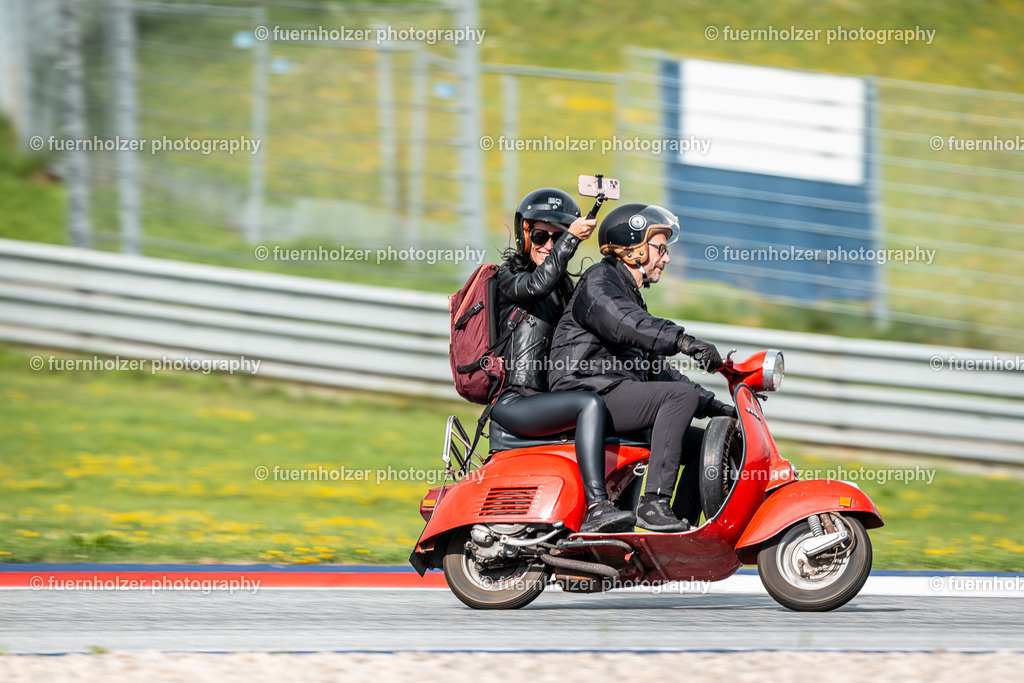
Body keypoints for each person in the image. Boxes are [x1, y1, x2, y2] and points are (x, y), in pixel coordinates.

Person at [548, 203, 737, 532]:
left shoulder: (629, 294)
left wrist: (714, 405)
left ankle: (681, 528)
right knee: (677, 397)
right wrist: (684, 341)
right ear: (633, 248)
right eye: (660, 248)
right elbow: (628, 323)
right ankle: (653, 504)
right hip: (586, 388)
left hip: (614, 391)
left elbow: (657, 370)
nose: (666, 258)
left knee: (706, 443)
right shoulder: (598, 283)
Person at [490, 188, 636, 534]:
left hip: (548, 401)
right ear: (525, 234)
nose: (549, 244)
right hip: (515, 402)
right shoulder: (508, 277)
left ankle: (622, 524)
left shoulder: (565, 291)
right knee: (588, 404)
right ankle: (597, 506)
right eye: (541, 236)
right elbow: (536, 286)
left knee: (625, 418)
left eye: (557, 238)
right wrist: (570, 238)